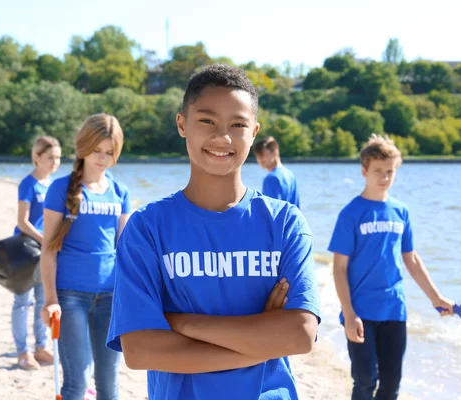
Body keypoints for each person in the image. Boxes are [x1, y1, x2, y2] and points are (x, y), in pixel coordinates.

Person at [106, 64, 321, 400]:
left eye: (238, 124)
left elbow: (301, 335)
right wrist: (261, 339)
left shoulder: (284, 223)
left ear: (254, 132)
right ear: (182, 124)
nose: (222, 137)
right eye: (207, 121)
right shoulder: (147, 228)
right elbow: (140, 350)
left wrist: (182, 323)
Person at [328, 134, 455, 400]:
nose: (384, 178)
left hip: (394, 309)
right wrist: (348, 313)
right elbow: (339, 268)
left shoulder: (401, 211)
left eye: (390, 172)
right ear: (364, 171)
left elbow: (412, 259)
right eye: (378, 172)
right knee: (365, 379)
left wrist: (436, 298)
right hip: (361, 310)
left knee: (391, 383)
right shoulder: (351, 213)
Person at [40, 114, 131, 400]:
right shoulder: (59, 189)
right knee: (77, 381)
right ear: (83, 147)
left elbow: (126, 251)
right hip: (70, 297)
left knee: (109, 384)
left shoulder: (121, 192)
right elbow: (48, 249)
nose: (103, 159)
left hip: (110, 297)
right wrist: (50, 299)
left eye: (110, 153)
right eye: (97, 151)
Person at [12, 135, 61, 370]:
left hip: (46, 253)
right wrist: (44, 240)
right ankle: (23, 353)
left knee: (44, 300)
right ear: (37, 157)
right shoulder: (27, 184)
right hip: (25, 251)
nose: (55, 162)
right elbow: (22, 222)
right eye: (50, 157)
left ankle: (42, 347)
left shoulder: (54, 185)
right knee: (22, 302)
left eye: (58, 158)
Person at [253, 136, 300, 208]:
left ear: (275, 152)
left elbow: (271, 212)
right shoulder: (290, 174)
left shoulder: (271, 178)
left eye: (262, 155)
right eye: (257, 155)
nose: (259, 159)